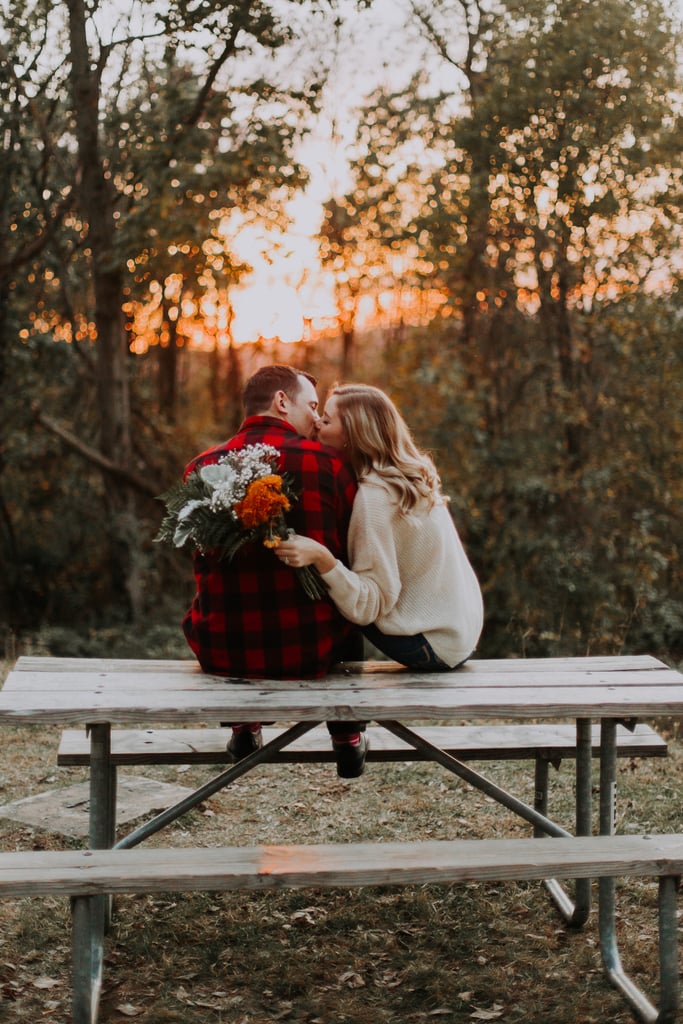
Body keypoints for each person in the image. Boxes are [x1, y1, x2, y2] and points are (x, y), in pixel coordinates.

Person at [182, 364, 365, 777]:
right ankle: (347, 737)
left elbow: (198, 559)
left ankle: (244, 727)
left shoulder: (201, 468)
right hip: (311, 650)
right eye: (312, 407)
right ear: (282, 401)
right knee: (348, 601)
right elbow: (352, 553)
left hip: (222, 651)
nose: (317, 420)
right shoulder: (331, 464)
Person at [275, 383, 484, 676]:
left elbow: (368, 605)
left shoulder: (375, 497)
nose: (317, 424)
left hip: (430, 646)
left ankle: (343, 713)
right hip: (460, 636)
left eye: (327, 419)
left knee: (334, 599)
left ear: (353, 436)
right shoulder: (409, 475)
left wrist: (322, 558)